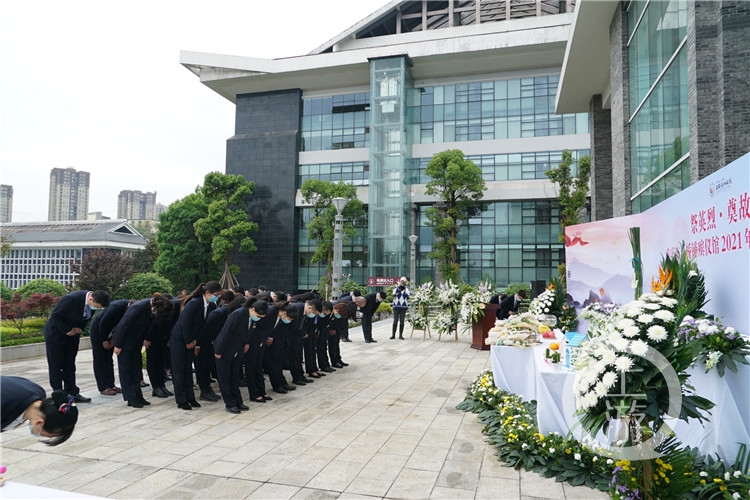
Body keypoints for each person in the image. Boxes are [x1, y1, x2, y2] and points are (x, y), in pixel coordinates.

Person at [44, 289, 111, 403]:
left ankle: (73, 392)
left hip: (73, 336)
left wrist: (77, 330)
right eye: (97, 306)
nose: (97, 309)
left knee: (69, 365)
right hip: (56, 335)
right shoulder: (71, 299)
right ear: (91, 299)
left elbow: (85, 318)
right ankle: (59, 395)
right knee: (56, 366)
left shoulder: (91, 304)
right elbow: (55, 316)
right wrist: (67, 330)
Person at [112, 294, 173, 408]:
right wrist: (118, 345)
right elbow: (124, 325)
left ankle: (138, 395)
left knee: (135, 368)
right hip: (125, 342)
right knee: (126, 370)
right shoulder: (138, 307)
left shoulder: (150, 309)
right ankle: (130, 397)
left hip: (136, 342)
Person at [170, 281, 222, 411]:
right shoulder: (194, 303)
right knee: (179, 370)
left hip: (192, 340)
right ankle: (181, 400)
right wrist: (188, 341)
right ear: (208, 293)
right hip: (180, 339)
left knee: (188, 369)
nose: (217, 297)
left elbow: (203, 327)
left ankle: (190, 397)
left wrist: (196, 342)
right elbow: (185, 323)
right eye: (216, 294)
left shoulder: (210, 306)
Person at [1, 375, 79, 446]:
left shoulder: (38, 391)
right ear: (39, 422)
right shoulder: (4, 405)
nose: (38, 435)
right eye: (41, 434)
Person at [196, 289, 236, 402]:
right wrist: (198, 344)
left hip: (211, 342)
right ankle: (204, 390)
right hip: (202, 341)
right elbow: (205, 329)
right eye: (216, 295)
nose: (217, 297)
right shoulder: (216, 311)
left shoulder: (213, 306)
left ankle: (207, 389)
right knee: (201, 365)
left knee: (207, 365)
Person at [88, 299, 129, 396]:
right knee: (100, 360)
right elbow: (103, 324)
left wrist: (113, 340)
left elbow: (120, 327)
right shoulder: (116, 307)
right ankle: (103, 387)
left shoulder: (128, 310)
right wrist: (104, 340)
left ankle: (111, 384)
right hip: (98, 332)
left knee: (108, 359)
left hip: (110, 334)